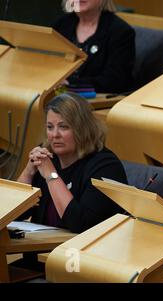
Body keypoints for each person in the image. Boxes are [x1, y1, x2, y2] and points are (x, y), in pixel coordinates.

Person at [17, 92, 127, 233]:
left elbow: (80, 224)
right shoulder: (49, 158)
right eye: (50, 127)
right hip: (40, 250)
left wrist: (51, 175)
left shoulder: (105, 166)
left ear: (82, 129)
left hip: (78, 253)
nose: (55, 134)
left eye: (63, 127)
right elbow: (15, 213)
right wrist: (29, 171)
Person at [54, 0, 135, 93]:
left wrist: (70, 84)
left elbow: (114, 81)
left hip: (98, 102)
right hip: (58, 97)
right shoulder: (60, 26)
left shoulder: (120, 32)